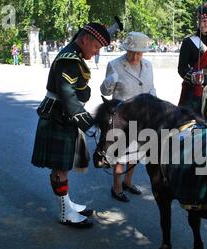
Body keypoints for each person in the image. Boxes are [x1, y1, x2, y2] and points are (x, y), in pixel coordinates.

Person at [31, 22, 112, 228]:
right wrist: (89, 124)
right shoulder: (69, 59)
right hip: (59, 115)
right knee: (60, 169)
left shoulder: (74, 53)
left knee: (63, 166)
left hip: (63, 115)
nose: (95, 53)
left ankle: (66, 203)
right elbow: (68, 97)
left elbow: (76, 91)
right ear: (85, 40)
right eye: (96, 47)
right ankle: (65, 213)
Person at [100, 31, 156, 203]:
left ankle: (128, 182)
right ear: (126, 50)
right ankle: (116, 188)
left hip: (142, 117)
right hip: (122, 118)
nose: (136, 56)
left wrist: (154, 102)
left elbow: (151, 88)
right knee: (120, 156)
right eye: (133, 52)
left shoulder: (148, 66)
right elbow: (104, 91)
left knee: (136, 154)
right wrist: (110, 81)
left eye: (140, 53)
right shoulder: (115, 65)